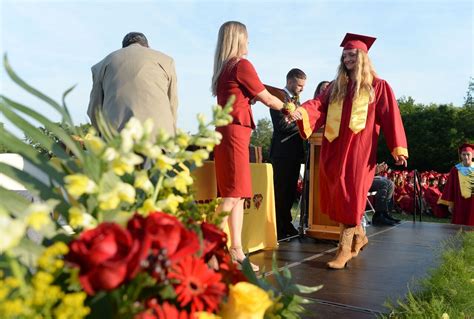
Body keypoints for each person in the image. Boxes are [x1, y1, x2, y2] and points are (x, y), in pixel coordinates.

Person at [288, 33, 408, 269]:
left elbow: (391, 116)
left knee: (351, 195)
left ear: (362, 57)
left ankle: (343, 248)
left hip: (359, 151)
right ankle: (360, 237)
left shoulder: (378, 86)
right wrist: (301, 112)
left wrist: (398, 147)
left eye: (352, 55)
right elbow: (319, 106)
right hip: (334, 148)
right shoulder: (336, 87)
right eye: (345, 55)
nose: (348, 59)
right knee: (337, 195)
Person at [211, 21, 286, 271]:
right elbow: (266, 97)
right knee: (233, 193)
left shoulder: (225, 69)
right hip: (234, 133)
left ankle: (236, 251)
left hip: (228, 132)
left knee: (236, 193)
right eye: (247, 37)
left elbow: (248, 97)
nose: (249, 43)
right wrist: (289, 107)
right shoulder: (241, 65)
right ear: (238, 39)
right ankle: (208, 248)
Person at [87, 32, 178, 137]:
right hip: (159, 137)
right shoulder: (167, 61)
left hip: (117, 139)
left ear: (123, 48)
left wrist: (100, 134)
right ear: (147, 47)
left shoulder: (102, 65)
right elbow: (172, 104)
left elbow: (94, 109)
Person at [268, 68, 307, 240]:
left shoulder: (295, 100)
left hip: (294, 153)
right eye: (299, 85)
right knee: (280, 191)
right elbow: (282, 126)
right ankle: (277, 226)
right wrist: (303, 125)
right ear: (290, 81)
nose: (302, 89)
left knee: (290, 192)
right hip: (282, 153)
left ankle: (287, 223)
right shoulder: (278, 97)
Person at [438, 143, 474, 226]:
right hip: (459, 202)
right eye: (463, 154)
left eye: (468, 154)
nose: (466, 157)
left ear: (472, 155)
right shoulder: (456, 169)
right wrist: (450, 204)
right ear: (460, 156)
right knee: (459, 226)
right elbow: (450, 188)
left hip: (473, 203)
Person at [370, 162, 401, 226]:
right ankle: (379, 215)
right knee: (383, 184)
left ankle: (386, 213)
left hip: (369, 178)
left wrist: (378, 167)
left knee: (391, 183)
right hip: (360, 181)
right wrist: (378, 169)